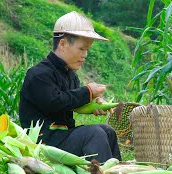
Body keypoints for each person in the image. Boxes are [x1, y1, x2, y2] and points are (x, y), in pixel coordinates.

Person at [19, 11, 121, 162]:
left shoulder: (71, 75)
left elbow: (72, 103)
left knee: (107, 131)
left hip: (63, 137)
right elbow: (55, 102)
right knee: (93, 133)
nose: (85, 55)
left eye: (87, 50)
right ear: (63, 44)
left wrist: (92, 103)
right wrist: (87, 92)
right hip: (43, 141)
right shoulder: (39, 74)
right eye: (82, 49)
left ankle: (117, 173)